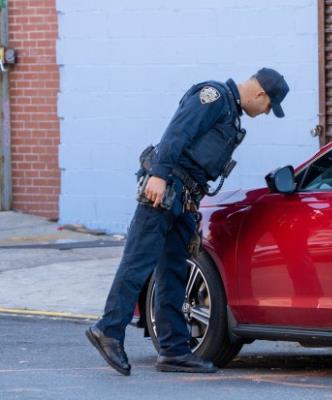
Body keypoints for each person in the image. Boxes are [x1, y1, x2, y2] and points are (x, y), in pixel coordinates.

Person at [85, 68, 290, 376]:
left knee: (174, 273)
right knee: (138, 262)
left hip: (184, 200)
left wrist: (191, 208)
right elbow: (177, 132)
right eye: (267, 108)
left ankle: (174, 351)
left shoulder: (231, 114)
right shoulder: (215, 97)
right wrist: (158, 175)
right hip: (164, 191)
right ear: (260, 94)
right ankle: (109, 330)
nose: (264, 114)